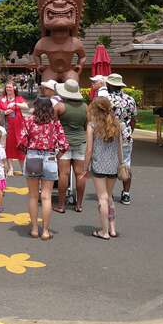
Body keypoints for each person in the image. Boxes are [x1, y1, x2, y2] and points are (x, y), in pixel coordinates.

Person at [18, 96, 68, 240]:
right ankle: (45, 231)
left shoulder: (29, 121)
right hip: (50, 157)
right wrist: (57, 156)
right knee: (46, 197)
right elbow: (64, 145)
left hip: (33, 156)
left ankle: (34, 229)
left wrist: (28, 151)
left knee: (33, 196)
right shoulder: (55, 123)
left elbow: (21, 142)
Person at [82, 97, 124, 240]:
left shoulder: (92, 125)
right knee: (110, 197)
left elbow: (89, 150)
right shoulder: (117, 124)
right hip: (113, 165)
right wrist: (121, 163)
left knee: (102, 198)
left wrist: (85, 167)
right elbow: (119, 147)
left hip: (99, 164)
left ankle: (104, 231)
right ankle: (112, 229)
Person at [54, 80, 87, 213]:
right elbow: (86, 126)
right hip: (80, 142)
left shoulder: (59, 107)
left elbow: (54, 126)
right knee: (80, 174)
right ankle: (79, 205)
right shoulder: (86, 107)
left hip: (63, 143)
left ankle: (61, 205)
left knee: (64, 174)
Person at [106, 73, 137, 205]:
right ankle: (126, 194)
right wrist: (129, 132)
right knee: (126, 164)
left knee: (109, 165)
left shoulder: (105, 100)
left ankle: (109, 193)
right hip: (125, 135)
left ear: (109, 85)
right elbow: (134, 119)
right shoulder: (130, 99)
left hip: (108, 135)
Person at [0, 80, 28, 176]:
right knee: (8, 147)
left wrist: (15, 104)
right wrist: (3, 112)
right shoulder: (2, 99)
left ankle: (23, 168)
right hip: (6, 126)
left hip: (18, 127)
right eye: (7, 87)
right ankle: (10, 168)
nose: (8, 89)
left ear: (14, 88)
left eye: (10, 87)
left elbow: (26, 106)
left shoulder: (18, 98)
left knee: (21, 146)